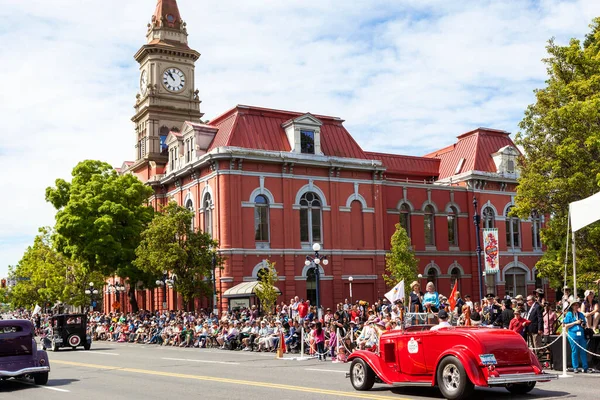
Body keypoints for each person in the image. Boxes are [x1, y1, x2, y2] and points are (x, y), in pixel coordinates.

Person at [563, 299, 590, 373]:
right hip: (573, 334)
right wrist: (575, 322)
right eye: (575, 305)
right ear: (571, 306)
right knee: (574, 351)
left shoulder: (580, 314)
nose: (576, 306)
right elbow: (566, 325)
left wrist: (582, 324)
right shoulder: (569, 314)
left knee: (583, 351)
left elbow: (584, 324)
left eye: (577, 305)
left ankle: (585, 367)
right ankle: (575, 367)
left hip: (581, 334)